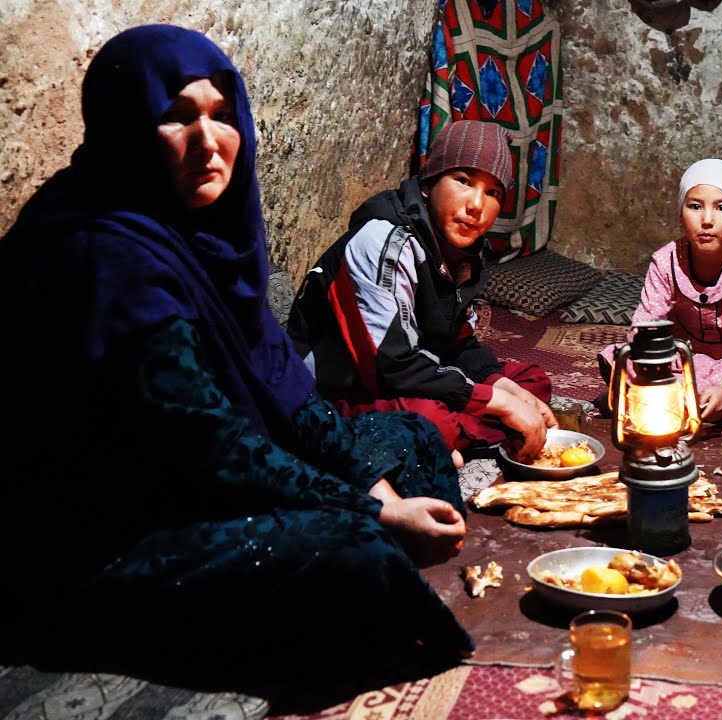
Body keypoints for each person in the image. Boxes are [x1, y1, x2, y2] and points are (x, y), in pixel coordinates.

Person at [0, 25, 472, 687]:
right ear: (124, 126)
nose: (209, 143)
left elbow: (291, 396)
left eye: (223, 118)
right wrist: (376, 513)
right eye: (175, 117)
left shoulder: (207, 236)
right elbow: (209, 450)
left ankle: (391, 570)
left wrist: (373, 486)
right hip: (113, 536)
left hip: (197, 486)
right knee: (355, 550)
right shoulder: (105, 253)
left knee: (411, 439)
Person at [287, 120, 556, 462]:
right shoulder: (383, 242)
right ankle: (441, 439)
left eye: (493, 193)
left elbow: (457, 342)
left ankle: (451, 439)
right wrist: (496, 403)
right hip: (336, 392)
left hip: (411, 377)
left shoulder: (463, 254)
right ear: (429, 184)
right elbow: (393, 366)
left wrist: (502, 387)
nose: (477, 205)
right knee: (434, 422)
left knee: (531, 383)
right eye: (464, 181)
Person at [599, 158, 722, 426]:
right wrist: (665, 368)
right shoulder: (666, 260)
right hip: (678, 366)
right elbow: (644, 328)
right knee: (616, 360)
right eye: (695, 206)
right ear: (681, 213)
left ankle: (669, 408)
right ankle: (701, 410)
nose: (707, 220)